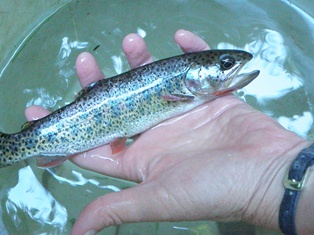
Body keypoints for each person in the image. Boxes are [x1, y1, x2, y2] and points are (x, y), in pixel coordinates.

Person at [25, 29, 313, 235]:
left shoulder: (193, 91)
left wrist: (271, 181)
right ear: (191, 78)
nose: (233, 67)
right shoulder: (185, 90)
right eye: (225, 65)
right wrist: (272, 181)